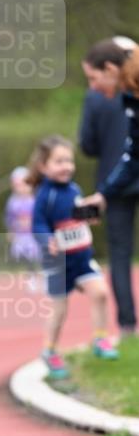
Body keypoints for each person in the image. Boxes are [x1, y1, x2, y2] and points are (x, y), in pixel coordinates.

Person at [30, 136, 118, 379]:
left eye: (69, 160)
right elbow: (37, 224)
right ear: (44, 167)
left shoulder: (74, 189)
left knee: (100, 293)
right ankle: (49, 350)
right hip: (59, 264)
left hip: (81, 258)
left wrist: (91, 215)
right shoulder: (44, 196)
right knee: (59, 310)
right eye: (59, 161)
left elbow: (77, 215)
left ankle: (100, 339)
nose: (66, 166)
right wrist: (47, 239)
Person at [81, 37, 139, 337]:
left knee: (120, 252)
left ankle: (128, 325)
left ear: (110, 68)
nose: (92, 87)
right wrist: (104, 193)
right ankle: (129, 330)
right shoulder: (129, 96)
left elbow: (88, 145)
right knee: (119, 253)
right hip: (120, 182)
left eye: (93, 78)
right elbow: (133, 154)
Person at [4, 165, 41, 265]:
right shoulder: (12, 202)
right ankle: (29, 276)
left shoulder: (35, 200)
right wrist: (11, 230)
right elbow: (9, 218)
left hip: (33, 236)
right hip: (20, 236)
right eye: (18, 185)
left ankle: (38, 275)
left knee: (36, 256)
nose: (22, 188)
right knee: (23, 259)